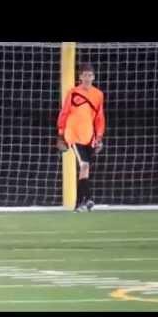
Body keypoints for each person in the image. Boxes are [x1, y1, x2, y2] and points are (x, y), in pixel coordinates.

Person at [57, 63, 106, 212]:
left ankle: (79, 204)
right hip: (73, 135)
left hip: (89, 136)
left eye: (90, 75)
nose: (87, 78)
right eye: (84, 75)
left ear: (93, 77)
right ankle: (89, 198)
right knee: (84, 165)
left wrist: (99, 137)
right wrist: (60, 134)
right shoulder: (73, 93)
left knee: (85, 170)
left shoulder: (98, 94)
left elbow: (99, 118)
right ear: (80, 77)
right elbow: (64, 113)